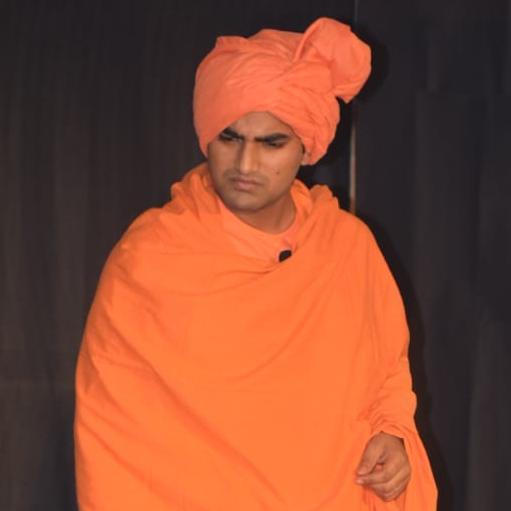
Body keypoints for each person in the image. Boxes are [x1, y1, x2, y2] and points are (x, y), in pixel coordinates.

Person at [74, 17, 437, 510]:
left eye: (271, 143)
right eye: (230, 138)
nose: (245, 165)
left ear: (306, 148)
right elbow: (111, 428)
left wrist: (392, 435)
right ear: (207, 136)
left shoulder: (346, 247)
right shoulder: (151, 257)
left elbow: (386, 374)